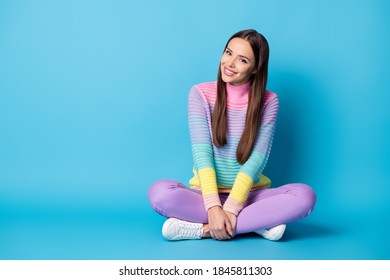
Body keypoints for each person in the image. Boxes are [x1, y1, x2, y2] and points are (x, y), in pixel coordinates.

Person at [148, 29, 316, 241]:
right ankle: (256, 224)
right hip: (204, 195)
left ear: (255, 68)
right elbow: (203, 156)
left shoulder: (269, 101)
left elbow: (257, 160)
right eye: (228, 53)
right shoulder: (200, 94)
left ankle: (203, 230)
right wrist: (214, 207)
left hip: (250, 195)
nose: (230, 63)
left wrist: (231, 208)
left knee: (305, 196)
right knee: (160, 192)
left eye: (242, 60)